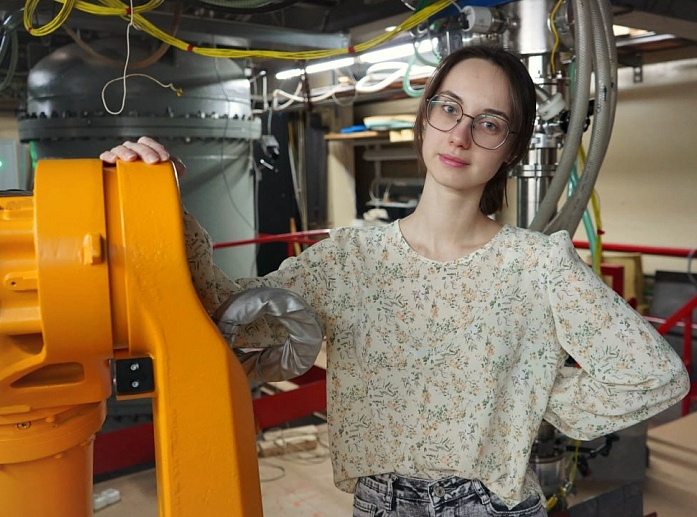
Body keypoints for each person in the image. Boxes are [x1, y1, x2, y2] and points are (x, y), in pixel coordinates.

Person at [101, 45, 690, 517]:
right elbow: (231, 317)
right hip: (380, 505)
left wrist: (528, 393)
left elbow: (654, 376)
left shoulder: (537, 265)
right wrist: (158, 206)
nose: (460, 135)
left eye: (490, 123)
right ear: (424, 117)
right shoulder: (349, 260)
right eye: (449, 109)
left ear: (511, 150)